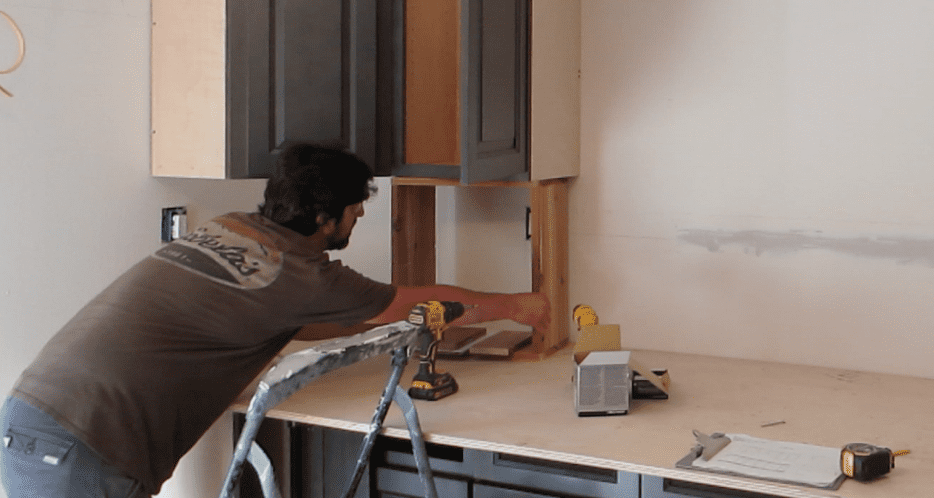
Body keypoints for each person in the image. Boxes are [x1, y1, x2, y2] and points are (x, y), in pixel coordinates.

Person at [1, 143, 549, 498]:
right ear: (323, 216)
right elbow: (413, 303)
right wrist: (517, 306)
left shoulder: (229, 227)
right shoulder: (302, 275)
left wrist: (358, 328)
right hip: (89, 448)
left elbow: (282, 319)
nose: (360, 215)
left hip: (28, 415)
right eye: (355, 209)